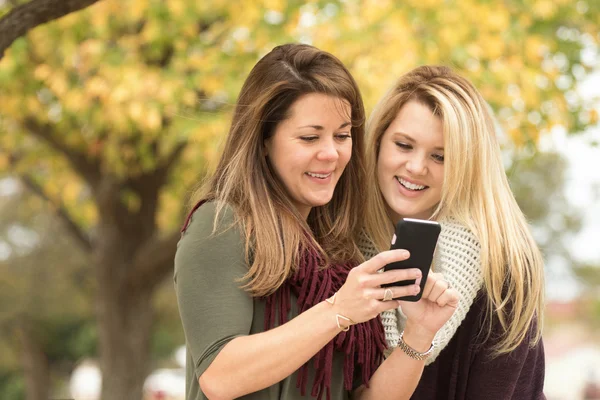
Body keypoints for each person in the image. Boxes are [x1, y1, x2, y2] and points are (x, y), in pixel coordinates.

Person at [174, 45, 460, 400]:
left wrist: (419, 331)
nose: (331, 153)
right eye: (310, 137)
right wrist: (339, 310)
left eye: (342, 135)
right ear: (263, 140)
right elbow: (220, 377)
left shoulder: (340, 254)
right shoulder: (221, 225)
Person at [362, 65, 546, 399]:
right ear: (377, 142)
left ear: (466, 165)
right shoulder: (335, 244)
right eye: (403, 145)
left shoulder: (500, 265)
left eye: (440, 156)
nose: (417, 167)